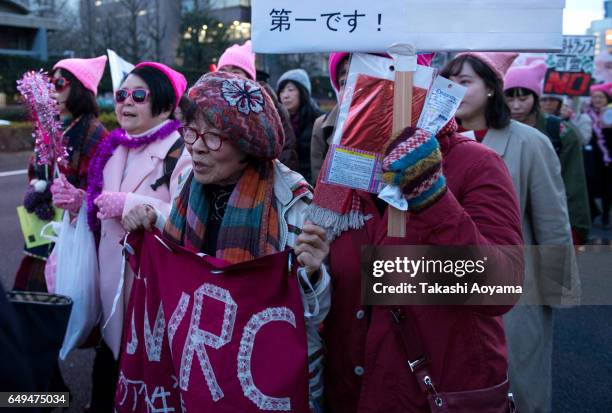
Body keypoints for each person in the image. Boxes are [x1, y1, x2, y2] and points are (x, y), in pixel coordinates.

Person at [122, 71, 332, 410]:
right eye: (191, 132)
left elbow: (316, 313)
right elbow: (188, 265)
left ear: (247, 144)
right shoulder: (189, 186)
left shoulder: (293, 202)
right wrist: (153, 221)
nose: (197, 148)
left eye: (214, 137)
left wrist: (314, 275)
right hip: (201, 373)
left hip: (267, 381)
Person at [441, 52, 577, 413]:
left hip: (516, 289)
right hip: (443, 284)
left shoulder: (529, 142)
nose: (454, 90)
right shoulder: (432, 145)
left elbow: (551, 220)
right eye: (448, 82)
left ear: (490, 88)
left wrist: (554, 290)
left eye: (465, 81)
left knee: (519, 385)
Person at [57, 61, 190, 412]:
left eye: (139, 95)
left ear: (164, 101)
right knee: (108, 371)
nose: (126, 102)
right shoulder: (114, 148)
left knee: (148, 377)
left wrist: (133, 203)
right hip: (109, 287)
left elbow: (188, 218)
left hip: (150, 293)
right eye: (121, 95)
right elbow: (103, 209)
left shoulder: (183, 152)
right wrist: (79, 202)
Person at [15, 55, 108, 292]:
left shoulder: (94, 132)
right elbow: (34, 169)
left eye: (59, 84)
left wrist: (75, 199)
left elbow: (97, 188)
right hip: (44, 228)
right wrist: (38, 187)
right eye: (49, 84)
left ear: (78, 88)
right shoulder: (50, 126)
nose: (51, 90)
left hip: (74, 233)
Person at [504, 62, 591, 244]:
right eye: (509, 98)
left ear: (535, 97)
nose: (516, 106)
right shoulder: (492, 129)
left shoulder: (561, 132)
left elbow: (575, 183)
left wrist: (577, 229)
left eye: (523, 98)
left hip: (552, 222)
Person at [216, 40, 298, 170]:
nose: (228, 77)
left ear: (250, 78)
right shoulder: (212, 109)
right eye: (223, 71)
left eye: (236, 72)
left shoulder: (272, 109)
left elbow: (286, 152)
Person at [277, 68, 322, 183]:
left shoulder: (318, 120)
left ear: (302, 92)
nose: (285, 95)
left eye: (290, 89)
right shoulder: (276, 122)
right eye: (281, 91)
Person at [310, 52, 349, 182]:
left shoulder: (401, 124)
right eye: (344, 82)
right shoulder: (322, 127)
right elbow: (319, 180)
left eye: (360, 76)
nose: (352, 87)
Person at [583, 82, 612, 229]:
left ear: (607, 99)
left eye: (600, 97)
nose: (598, 100)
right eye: (595, 97)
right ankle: (594, 211)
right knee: (591, 185)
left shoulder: (610, 113)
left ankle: (606, 214)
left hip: (609, 156)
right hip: (592, 157)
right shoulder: (586, 114)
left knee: (608, 187)